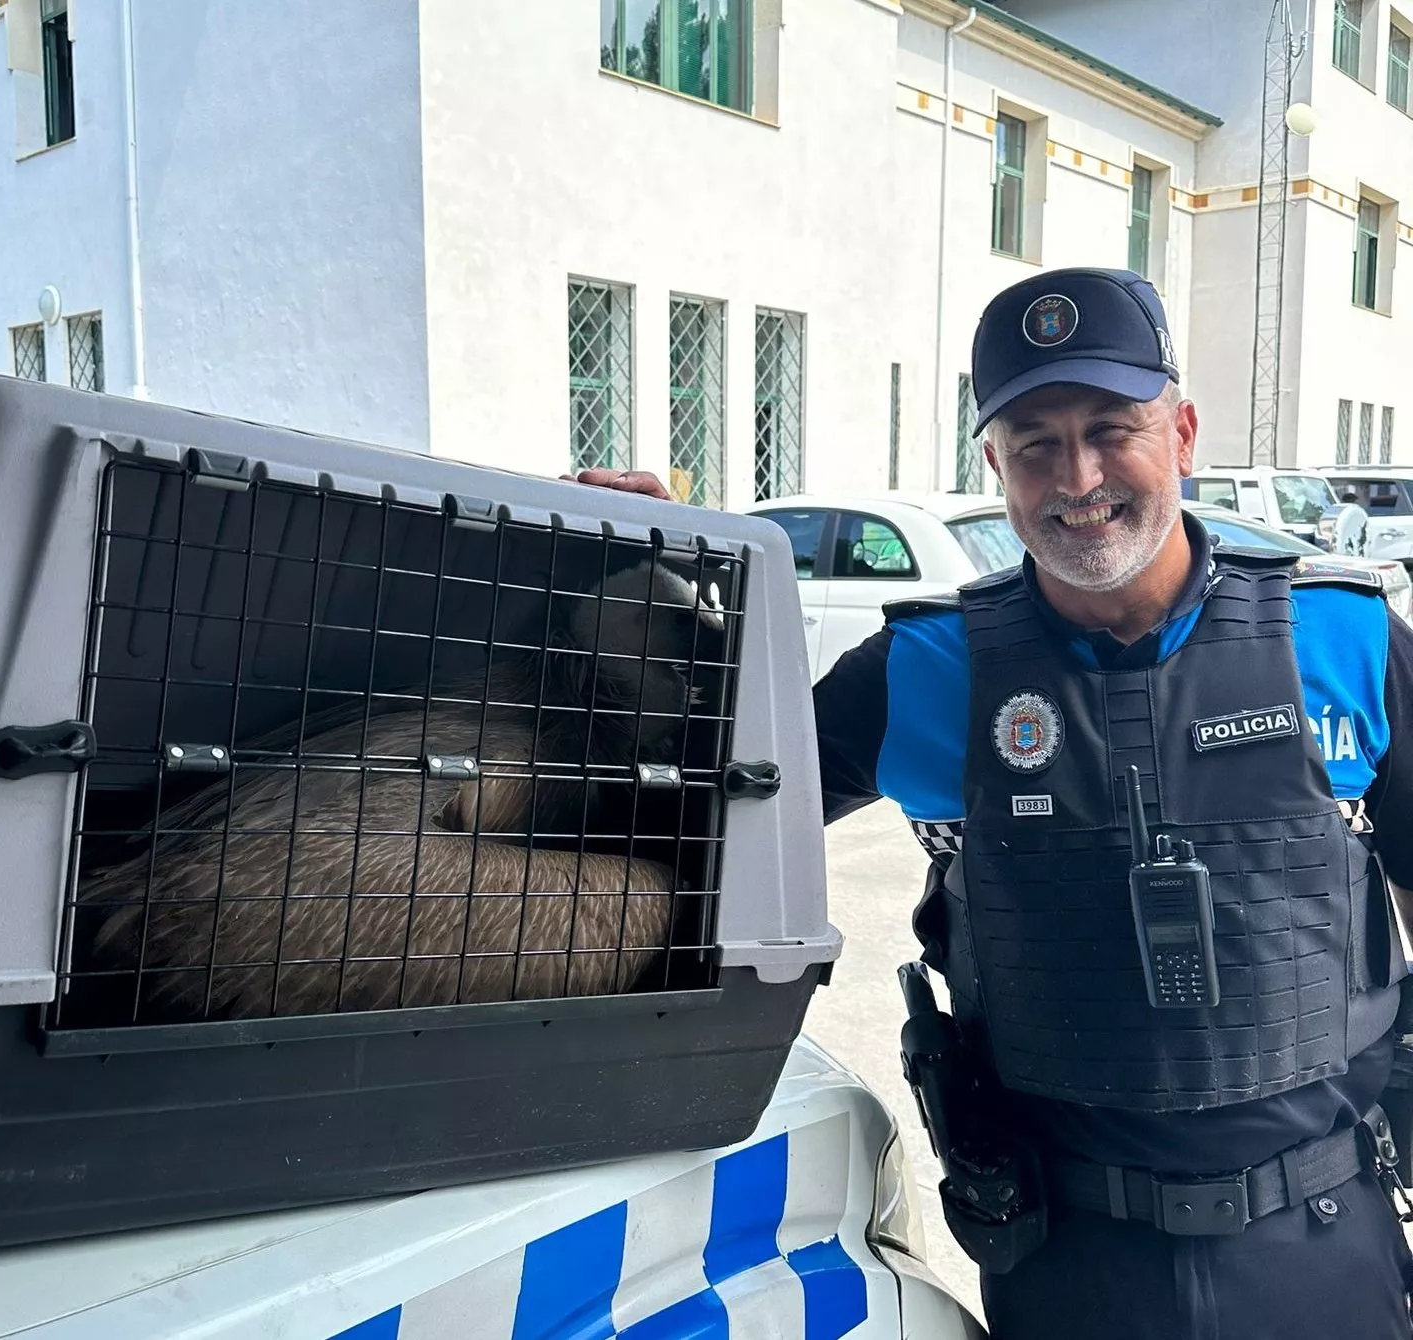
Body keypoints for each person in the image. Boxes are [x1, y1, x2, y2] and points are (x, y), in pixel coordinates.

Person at [573, 266, 1413, 1339]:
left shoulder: (1341, 637)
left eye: (1114, 427)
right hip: (1066, 1266)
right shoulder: (925, 668)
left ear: (1185, 432)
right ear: (994, 466)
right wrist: (625, 581)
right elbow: (702, 795)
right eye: (1036, 443)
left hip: (1325, 1253)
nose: (1080, 476)